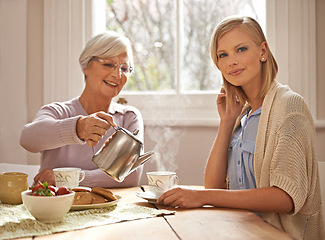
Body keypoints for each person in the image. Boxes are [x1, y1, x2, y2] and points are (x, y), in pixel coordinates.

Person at [157, 16, 325, 239]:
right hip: (237, 230)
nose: (231, 61)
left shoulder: (289, 106)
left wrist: (202, 197)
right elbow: (213, 186)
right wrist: (226, 123)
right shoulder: (242, 115)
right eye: (223, 55)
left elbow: (285, 197)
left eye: (241, 49)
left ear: (263, 51)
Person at [20, 31, 144, 188]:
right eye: (108, 64)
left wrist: (68, 178)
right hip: (57, 208)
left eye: (124, 68)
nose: (117, 75)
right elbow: (27, 139)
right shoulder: (58, 112)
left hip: (109, 209)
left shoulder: (128, 117)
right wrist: (77, 128)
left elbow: (130, 175)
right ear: (86, 66)